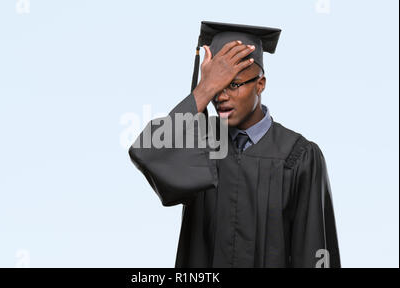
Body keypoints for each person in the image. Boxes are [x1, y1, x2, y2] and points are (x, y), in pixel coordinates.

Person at [129, 21, 340, 268]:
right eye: (217, 87)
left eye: (233, 84)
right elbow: (145, 151)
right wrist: (204, 88)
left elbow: (314, 250)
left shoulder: (299, 155)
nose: (221, 97)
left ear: (260, 84)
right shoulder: (200, 144)